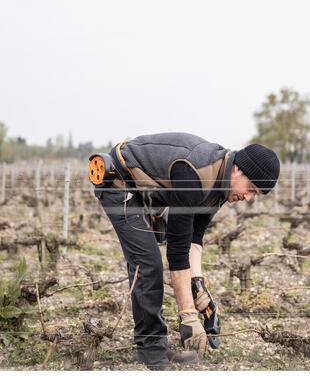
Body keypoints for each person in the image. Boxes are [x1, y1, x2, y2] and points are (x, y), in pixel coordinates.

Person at [90, 132, 280, 370]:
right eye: (251, 189)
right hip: (118, 180)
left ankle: (153, 346)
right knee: (148, 263)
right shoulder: (196, 172)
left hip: (147, 190)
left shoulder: (220, 186)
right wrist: (188, 315)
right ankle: (151, 352)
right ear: (238, 170)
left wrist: (199, 287)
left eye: (256, 195)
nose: (249, 198)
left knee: (153, 259)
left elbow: (194, 238)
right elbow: (178, 252)